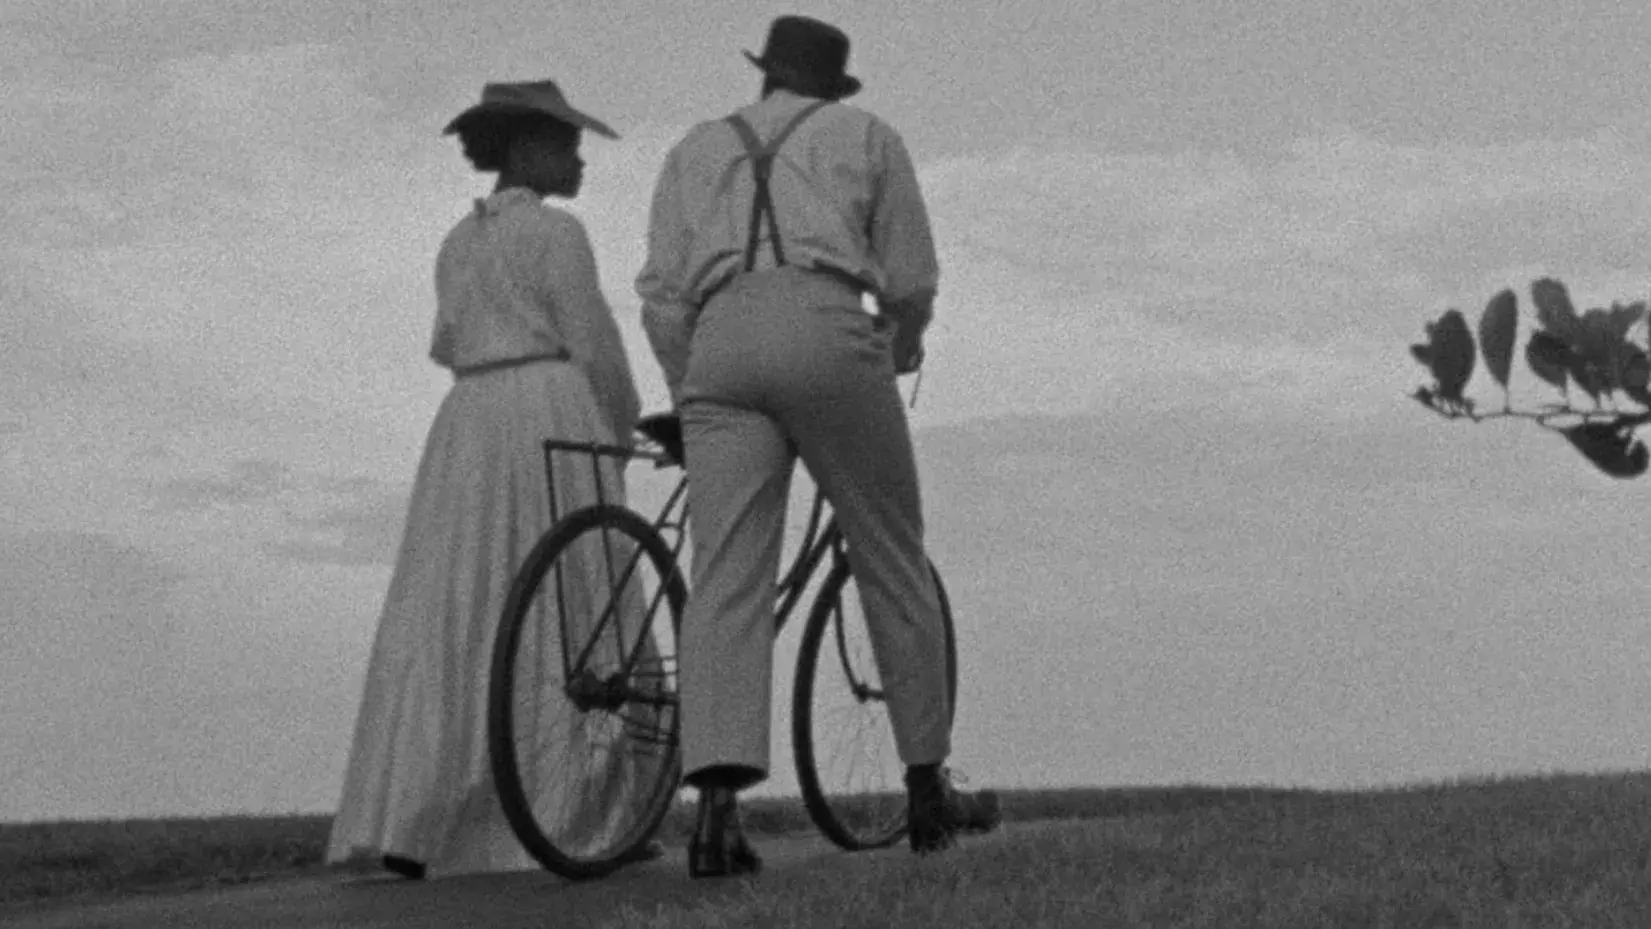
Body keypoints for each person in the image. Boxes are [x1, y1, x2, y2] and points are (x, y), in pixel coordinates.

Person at [635, 16, 1002, 879]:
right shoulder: (866, 135)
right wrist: (900, 345)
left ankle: (716, 814)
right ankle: (924, 785)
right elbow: (908, 275)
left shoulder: (694, 149)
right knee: (889, 554)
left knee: (725, 575)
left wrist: (692, 383)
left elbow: (659, 293)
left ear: (766, 78)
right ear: (831, 87)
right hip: (828, 328)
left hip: (720, 335)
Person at [327, 79, 665, 880]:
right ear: (522, 150)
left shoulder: (457, 242)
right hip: (548, 401)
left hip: (470, 422)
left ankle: (429, 810)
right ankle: (588, 807)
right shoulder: (557, 234)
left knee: (459, 599)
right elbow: (593, 340)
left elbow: (446, 340)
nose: (577, 159)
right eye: (563, 143)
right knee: (575, 593)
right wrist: (618, 428)